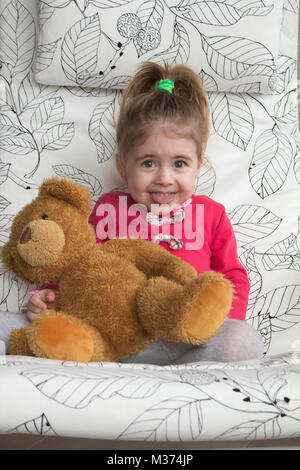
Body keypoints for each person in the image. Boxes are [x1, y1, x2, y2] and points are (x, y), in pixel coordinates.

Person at [0, 62, 264, 363]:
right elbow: (75, 262)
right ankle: (77, 350)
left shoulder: (211, 215)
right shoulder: (109, 208)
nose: (164, 178)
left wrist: (214, 319)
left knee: (242, 341)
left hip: (180, 339)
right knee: (10, 325)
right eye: (148, 163)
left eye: (179, 163)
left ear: (198, 166)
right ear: (122, 167)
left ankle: (178, 381)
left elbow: (232, 276)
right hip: (108, 333)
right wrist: (46, 299)